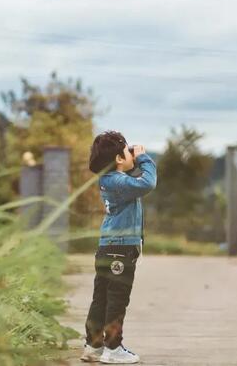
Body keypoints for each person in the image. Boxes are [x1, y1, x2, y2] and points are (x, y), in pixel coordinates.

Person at [80, 131, 157, 364]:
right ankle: (113, 349)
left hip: (108, 247)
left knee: (101, 298)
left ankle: (93, 345)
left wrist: (131, 159)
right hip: (120, 250)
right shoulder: (118, 181)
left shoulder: (110, 179)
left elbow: (132, 181)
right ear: (119, 159)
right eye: (127, 150)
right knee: (116, 300)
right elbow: (147, 182)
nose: (131, 151)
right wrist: (144, 159)